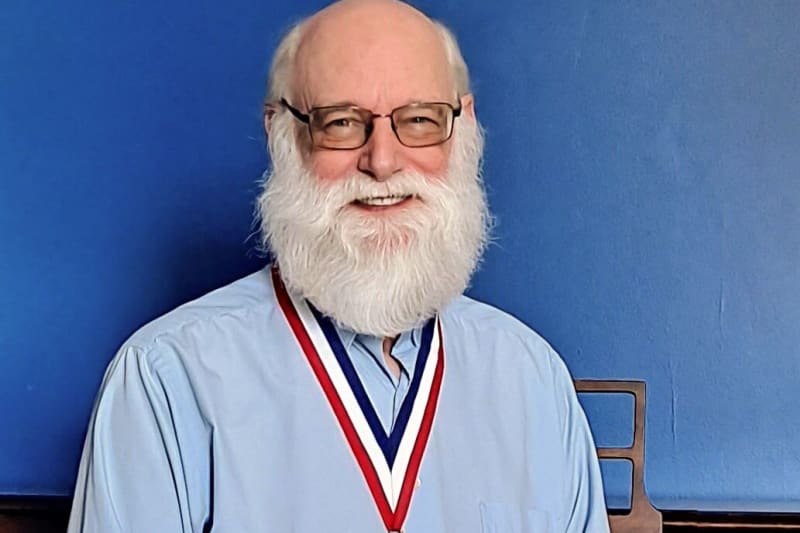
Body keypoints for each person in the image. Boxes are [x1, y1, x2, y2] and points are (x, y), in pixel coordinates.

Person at [67, 0, 610, 531]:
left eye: (418, 119)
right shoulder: (166, 379)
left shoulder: (533, 380)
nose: (382, 161)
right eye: (342, 123)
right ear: (282, 133)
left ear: (462, 126)